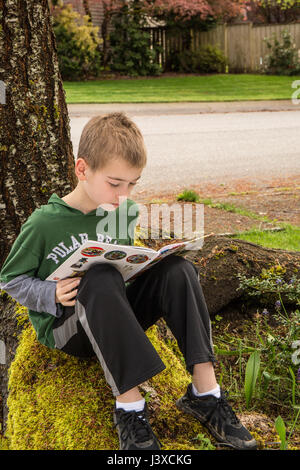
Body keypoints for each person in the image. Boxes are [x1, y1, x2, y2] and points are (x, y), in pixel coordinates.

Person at [0, 112, 257, 451]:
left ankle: (205, 393)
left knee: (178, 270)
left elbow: (124, 261)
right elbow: (10, 279)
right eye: (115, 183)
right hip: (69, 329)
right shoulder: (44, 223)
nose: (124, 194)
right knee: (101, 275)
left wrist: (146, 264)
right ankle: (130, 410)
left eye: (133, 184)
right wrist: (50, 292)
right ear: (82, 169)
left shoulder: (123, 212)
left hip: (113, 316)